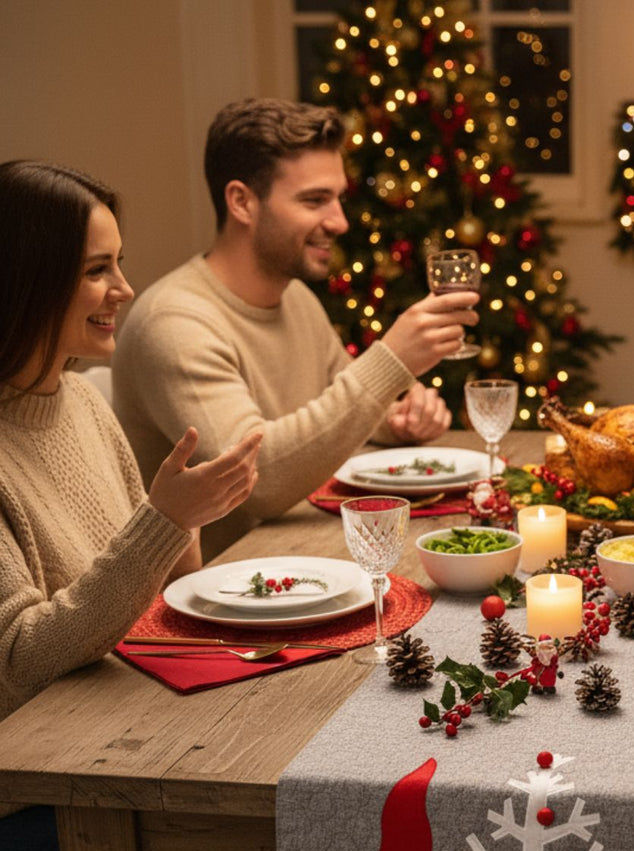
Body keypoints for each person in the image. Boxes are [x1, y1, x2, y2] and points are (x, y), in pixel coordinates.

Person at [0, 160, 273, 851]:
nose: (124, 289)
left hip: (95, 756)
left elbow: (151, 587)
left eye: (119, 264)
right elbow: (24, 656)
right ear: (25, 279)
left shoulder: (78, 399)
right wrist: (163, 523)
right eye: (96, 270)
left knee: (283, 837)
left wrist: (179, 524)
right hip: (20, 803)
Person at [113, 97, 479, 559]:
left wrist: (396, 421)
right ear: (242, 202)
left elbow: (332, 418)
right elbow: (256, 479)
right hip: (219, 587)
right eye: (314, 200)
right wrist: (391, 362)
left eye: (337, 198)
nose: (339, 221)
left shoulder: (296, 299)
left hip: (301, 555)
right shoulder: (174, 322)